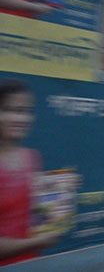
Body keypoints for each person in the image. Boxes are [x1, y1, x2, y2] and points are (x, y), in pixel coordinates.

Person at [0, 80, 59, 266]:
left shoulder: (32, 158)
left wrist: (60, 194)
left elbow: (38, 217)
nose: (22, 119)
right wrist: (38, 242)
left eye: (26, 111)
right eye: (11, 110)